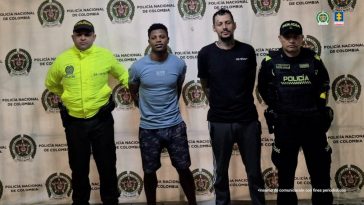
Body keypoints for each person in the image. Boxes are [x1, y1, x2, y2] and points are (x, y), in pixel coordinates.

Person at [45, 19, 128, 205]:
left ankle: (110, 201)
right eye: (79, 34)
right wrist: (65, 95)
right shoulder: (62, 59)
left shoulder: (105, 56)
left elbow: (124, 76)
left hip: (102, 119)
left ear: (94, 37)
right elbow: (51, 83)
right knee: (78, 167)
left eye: (87, 34)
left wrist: (135, 89)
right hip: (74, 122)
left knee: (107, 165)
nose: (83, 38)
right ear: (73, 36)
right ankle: (80, 202)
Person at [257, 20, 333, 205]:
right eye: (287, 37)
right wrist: (277, 108)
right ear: (280, 38)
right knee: (285, 178)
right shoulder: (270, 61)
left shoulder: (313, 59)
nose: (291, 40)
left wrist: (319, 108)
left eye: (296, 37)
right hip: (285, 126)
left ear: (301, 38)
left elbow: (324, 85)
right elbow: (262, 88)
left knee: (320, 175)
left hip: (313, 125)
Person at [197, 8, 266, 205]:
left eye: (227, 23)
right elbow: (205, 86)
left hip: (247, 120)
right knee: (220, 172)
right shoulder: (205, 53)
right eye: (220, 24)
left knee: (254, 170)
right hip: (219, 121)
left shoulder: (247, 51)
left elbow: (250, 82)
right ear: (214, 28)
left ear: (234, 25)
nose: (224, 27)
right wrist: (220, 104)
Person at [128, 23, 197, 205]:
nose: (158, 40)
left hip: (175, 126)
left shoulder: (179, 64)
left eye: (162, 36)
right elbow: (133, 90)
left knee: (184, 168)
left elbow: (178, 87)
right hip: (149, 129)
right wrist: (143, 107)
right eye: (154, 37)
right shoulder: (137, 67)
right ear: (149, 41)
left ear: (168, 39)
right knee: (149, 172)